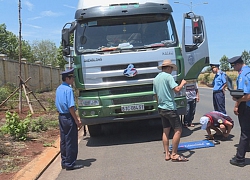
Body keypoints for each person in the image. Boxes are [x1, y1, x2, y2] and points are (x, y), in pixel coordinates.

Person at [153, 59, 188, 162]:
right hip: (170, 107)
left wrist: (159, 103)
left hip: (161, 107)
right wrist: (182, 84)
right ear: (168, 68)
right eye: (172, 68)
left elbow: (155, 95)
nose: (172, 70)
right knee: (178, 129)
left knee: (166, 130)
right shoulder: (169, 77)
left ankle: (167, 153)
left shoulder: (156, 79)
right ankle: (174, 154)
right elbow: (177, 90)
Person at [55, 68, 83, 170]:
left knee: (64, 140)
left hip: (61, 116)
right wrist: (76, 120)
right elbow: (71, 107)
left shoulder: (59, 88)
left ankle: (64, 161)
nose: (73, 80)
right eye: (72, 78)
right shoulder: (68, 90)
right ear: (67, 78)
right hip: (68, 116)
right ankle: (70, 163)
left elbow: (57, 104)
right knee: (71, 140)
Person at [227, 56, 250, 167]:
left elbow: (247, 96)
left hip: (247, 106)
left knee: (245, 132)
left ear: (238, 64)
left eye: (233, 66)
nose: (233, 68)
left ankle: (240, 158)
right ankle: (247, 147)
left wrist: (237, 102)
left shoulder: (243, 75)